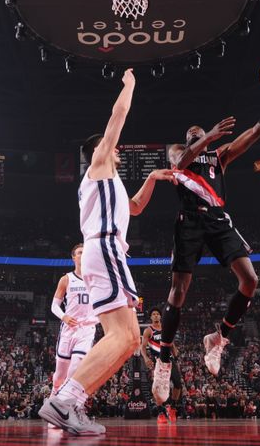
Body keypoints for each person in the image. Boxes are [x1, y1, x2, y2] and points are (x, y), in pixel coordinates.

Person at [39, 68, 176, 435]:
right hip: (106, 248)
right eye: (110, 145)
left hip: (107, 251)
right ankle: (65, 400)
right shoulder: (98, 167)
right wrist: (130, 85)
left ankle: (70, 404)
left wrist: (150, 179)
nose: (116, 148)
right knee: (122, 337)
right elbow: (117, 118)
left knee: (130, 338)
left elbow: (133, 208)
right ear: (100, 150)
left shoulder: (108, 183)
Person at [152, 67, 260, 404]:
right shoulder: (179, 150)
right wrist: (208, 135)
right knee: (178, 292)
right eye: (192, 131)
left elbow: (256, 132)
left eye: (198, 129)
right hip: (188, 222)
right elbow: (181, 162)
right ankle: (164, 360)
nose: (194, 131)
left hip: (218, 220)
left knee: (250, 279)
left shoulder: (219, 157)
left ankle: (218, 338)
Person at [48, 244, 98, 411]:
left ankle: (65, 406)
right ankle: (54, 395)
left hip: (87, 329)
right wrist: (64, 316)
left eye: (86, 252)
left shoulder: (96, 278)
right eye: (79, 252)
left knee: (75, 369)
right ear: (73, 257)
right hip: (69, 330)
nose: (83, 255)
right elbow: (54, 306)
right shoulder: (66, 279)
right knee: (59, 376)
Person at [141, 307, 182, 423]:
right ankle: (160, 412)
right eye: (153, 314)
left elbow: (172, 342)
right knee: (157, 388)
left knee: (178, 384)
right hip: (157, 361)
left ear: (160, 316)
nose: (155, 316)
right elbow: (143, 347)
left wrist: (176, 354)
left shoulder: (165, 328)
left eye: (157, 314)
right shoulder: (148, 331)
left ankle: (172, 407)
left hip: (169, 359)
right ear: (150, 317)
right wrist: (145, 358)